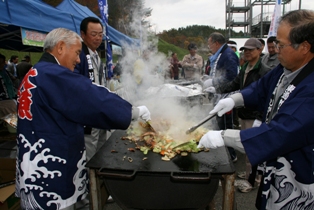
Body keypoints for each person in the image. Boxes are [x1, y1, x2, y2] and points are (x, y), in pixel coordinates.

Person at [15, 28, 151, 210]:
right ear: (61, 47)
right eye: (77, 53)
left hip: (35, 165)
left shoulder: (37, 72)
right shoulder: (51, 74)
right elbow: (90, 98)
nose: (79, 60)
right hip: (50, 173)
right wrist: (133, 112)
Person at [198, 9, 314, 209]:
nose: (275, 49)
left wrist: (223, 136)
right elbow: (260, 88)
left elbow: (280, 133)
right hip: (277, 167)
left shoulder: (311, 88)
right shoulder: (285, 69)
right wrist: (234, 99)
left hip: (301, 173)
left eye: (281, 44)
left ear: (304, 47)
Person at [206, 38, 270, 193]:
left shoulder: (264, 71)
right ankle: (249, 172)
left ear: (260, 50)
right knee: (248, 148)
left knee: (253, 146)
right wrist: (216, 88)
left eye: (251, 49)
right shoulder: (246, 67)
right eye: (245, 50)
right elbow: (234, 84)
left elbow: (266, 96)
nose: (247, 52)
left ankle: (253, 180)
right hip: (244, 112)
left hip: (254, 115)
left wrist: (260, 118)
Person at [74, 17, 108, 162]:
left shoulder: (97, 56)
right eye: (93, 34)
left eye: (100, 34)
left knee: (101, 150)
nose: (98, 38)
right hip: (87, 116)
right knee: (89, 155)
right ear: (83, 34)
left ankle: (98, 181)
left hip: (99, 113)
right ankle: (88, 183)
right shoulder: (79, 55)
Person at [203, 32, 239, 162]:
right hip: (220, 95)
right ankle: (222, 152)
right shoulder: (221, 54)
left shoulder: (228, 55)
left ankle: (231, 155)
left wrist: (214, 82)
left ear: (216, 43)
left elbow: (232, 76)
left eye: (209, 44)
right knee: (218, 124)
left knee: (225, 126)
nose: (209, 47)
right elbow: (219, 73)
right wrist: (211, 80)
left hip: (227, 97)